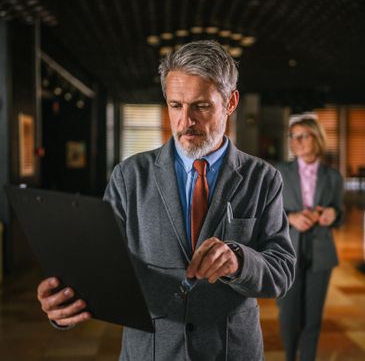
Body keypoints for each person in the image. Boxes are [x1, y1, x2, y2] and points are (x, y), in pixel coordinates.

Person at [37, 40, 296, 361]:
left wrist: (239, 261)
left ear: (231, 102)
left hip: (230, 350)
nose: (185, 120)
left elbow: (281, 271)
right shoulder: (129, 176)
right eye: (175, 105)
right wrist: (63, 304)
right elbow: (100, 264)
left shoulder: (263, 177)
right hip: (152, 350)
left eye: (200, 106)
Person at [276, 114, 344, 361]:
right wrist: (291, 218)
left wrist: (332, 214)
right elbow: (266, 213)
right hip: (288, 251)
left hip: (321, 254)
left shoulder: (333, 177)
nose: (296, 142)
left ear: (316, 138)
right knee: (289, 316)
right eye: (292, 137)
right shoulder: (279, 172)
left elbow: (340, 214)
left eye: (302, 136)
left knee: (313, 318)